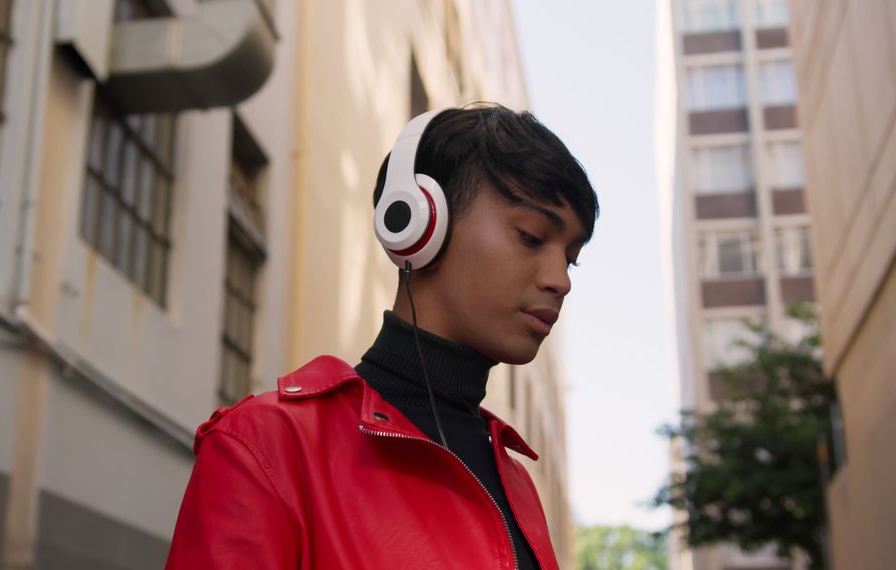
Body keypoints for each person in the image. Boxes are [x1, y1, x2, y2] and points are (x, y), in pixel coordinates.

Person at [165, 103, 598, 569]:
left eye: (571, 258)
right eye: (532, 237)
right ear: (416, 226)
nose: (561, 280)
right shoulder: (268, 448)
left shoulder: (515, 480)